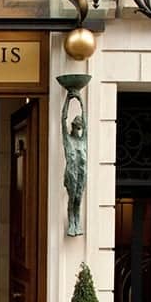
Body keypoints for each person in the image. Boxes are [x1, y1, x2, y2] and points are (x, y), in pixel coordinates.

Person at [63, 90, 87, 236]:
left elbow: (87, 121)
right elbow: (62, 119)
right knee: (72, 198)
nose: (78, 130)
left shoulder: (83, 141)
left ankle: (78, 224)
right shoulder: (68, 140)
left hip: (82, 172)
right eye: (76, 127)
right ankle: (71, 224)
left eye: (80, 127)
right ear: (72, 126)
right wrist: (68, 99)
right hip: (71, 172)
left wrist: (81, 102)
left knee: (79, 198)